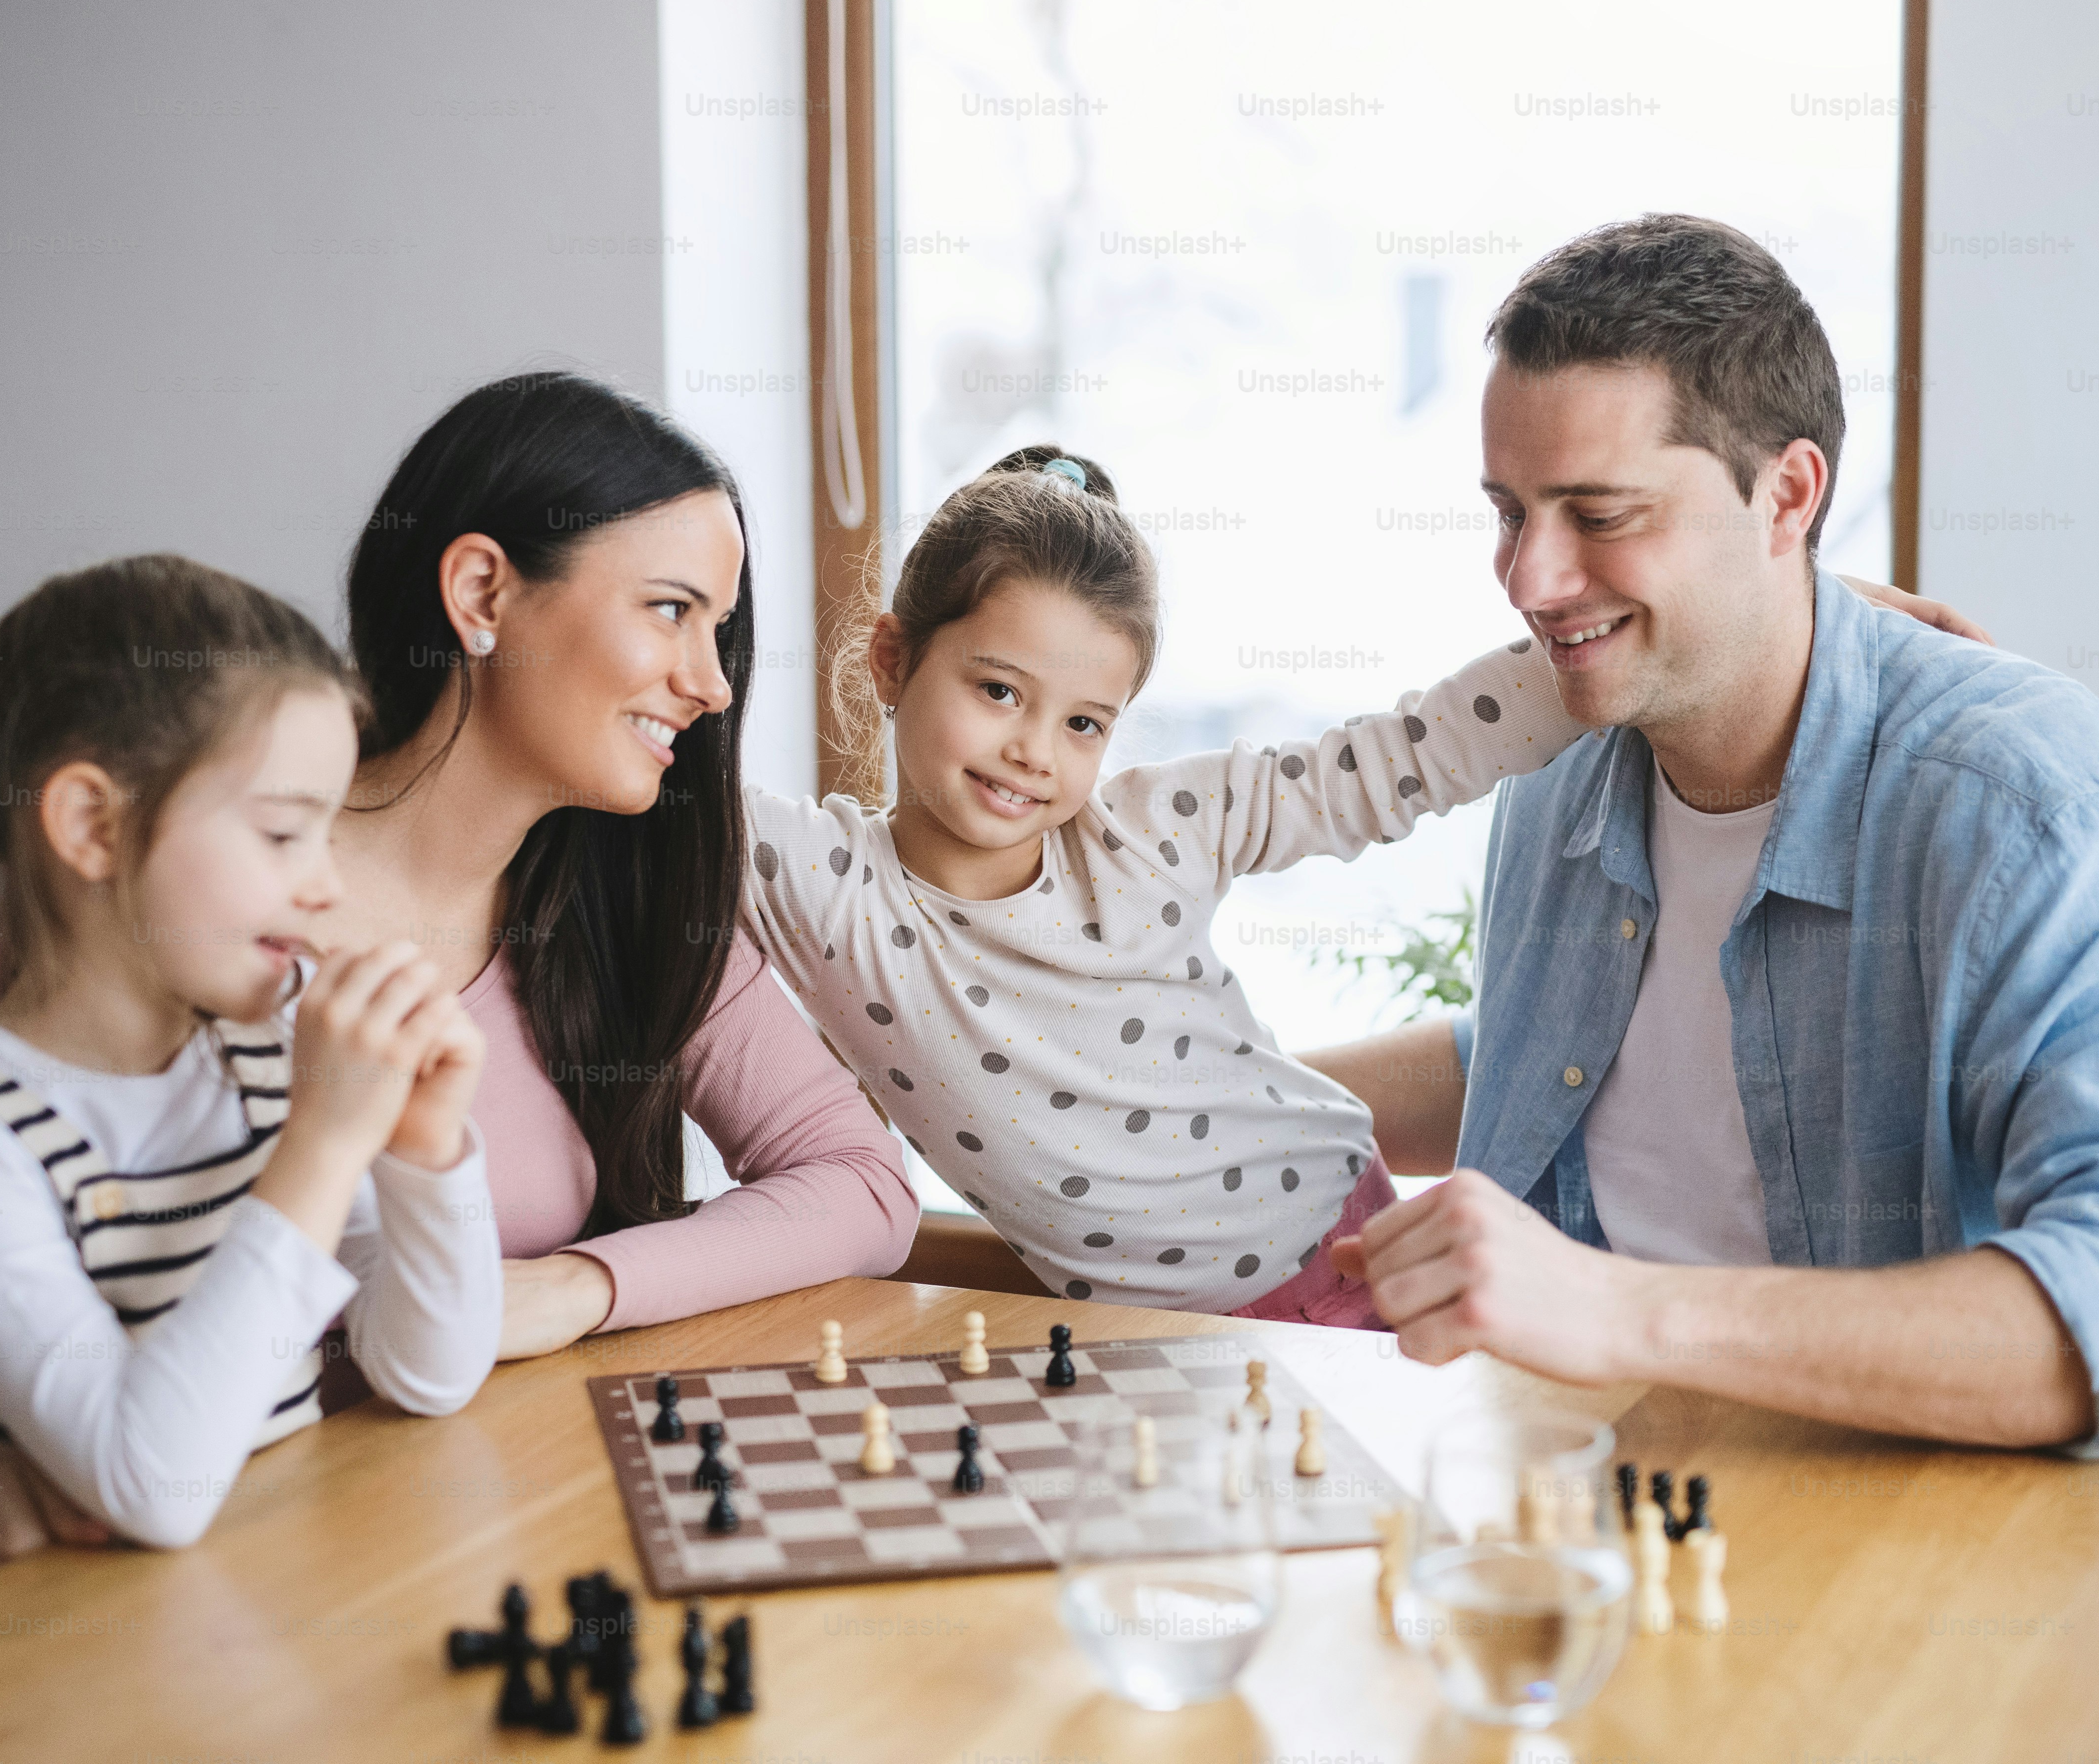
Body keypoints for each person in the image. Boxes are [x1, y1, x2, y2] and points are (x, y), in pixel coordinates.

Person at [0, 376, 919, 1588]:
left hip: (426, 1532)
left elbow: (863, 1185)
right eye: (671, 610)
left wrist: (576, 1286)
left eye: (721, 630)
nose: (713, 683)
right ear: (483, 591)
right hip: (152, 1569)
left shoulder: (632, 907)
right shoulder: (173, 909)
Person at [1323, 215, 2099, 1457]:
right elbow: (1558, 1060)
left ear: (1787, 493)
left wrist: (1622, 1311)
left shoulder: (2018, 794)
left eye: (1600, 513)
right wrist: (1173, 1109)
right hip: (1588, 1509)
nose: (1529, 579)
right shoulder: (1564, 760)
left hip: (1902, 1559)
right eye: (1509, 510)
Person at [741, 445, 1986, 1322]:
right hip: (1158, 1338)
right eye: (998, 691)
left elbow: (1418, 751)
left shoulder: (1153, 828)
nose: (1031, 750)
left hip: (1357, 1248)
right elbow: (644, 783)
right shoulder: (822, 883)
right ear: (893, 660)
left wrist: (1762, 618)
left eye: (1083, 720)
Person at [0, 556, 503, 1620]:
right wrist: (325, 1148)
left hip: (251, 1600)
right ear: (95, 827)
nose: (327, 881)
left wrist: (426, 1150)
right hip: (23, 1646)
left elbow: (431, 1374)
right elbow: (153, 1481)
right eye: (284, 831)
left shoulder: (266, 1046)